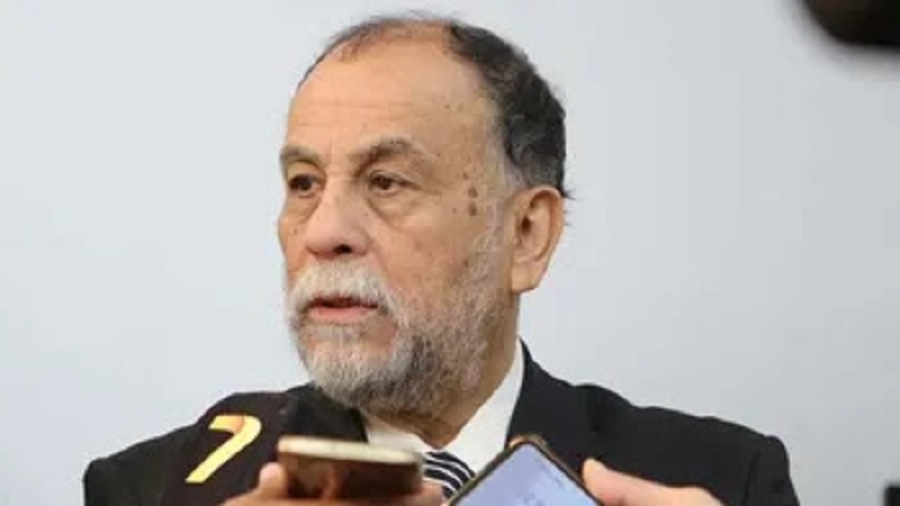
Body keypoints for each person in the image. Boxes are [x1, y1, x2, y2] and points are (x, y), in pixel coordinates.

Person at [83, 14, 800, 506]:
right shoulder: (152, 489)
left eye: (386, 182)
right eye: (304, 183)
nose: (323, 231)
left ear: (527, 235)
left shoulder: (720, 478)